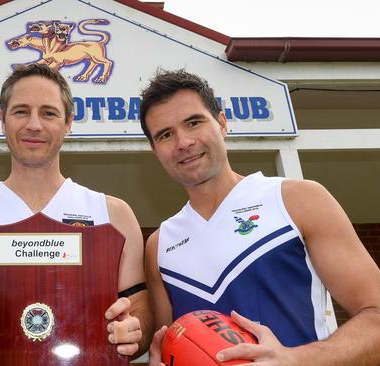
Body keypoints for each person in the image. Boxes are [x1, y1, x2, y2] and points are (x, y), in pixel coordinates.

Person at [139, 69, 380, 365]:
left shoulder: (297, 200)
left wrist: (295, 359)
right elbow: (170, 343)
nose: (183, 142)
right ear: (155, 150)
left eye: (194, 122)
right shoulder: (160, 243)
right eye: (165, 134)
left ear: (222, 123)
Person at [0, 64, 151, 364]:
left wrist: (135, 330)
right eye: (21, 111)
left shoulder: (113, 216)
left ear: (69, 122)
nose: (34, 124)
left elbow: (140, 313)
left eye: (49, 113)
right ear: (2, 120)